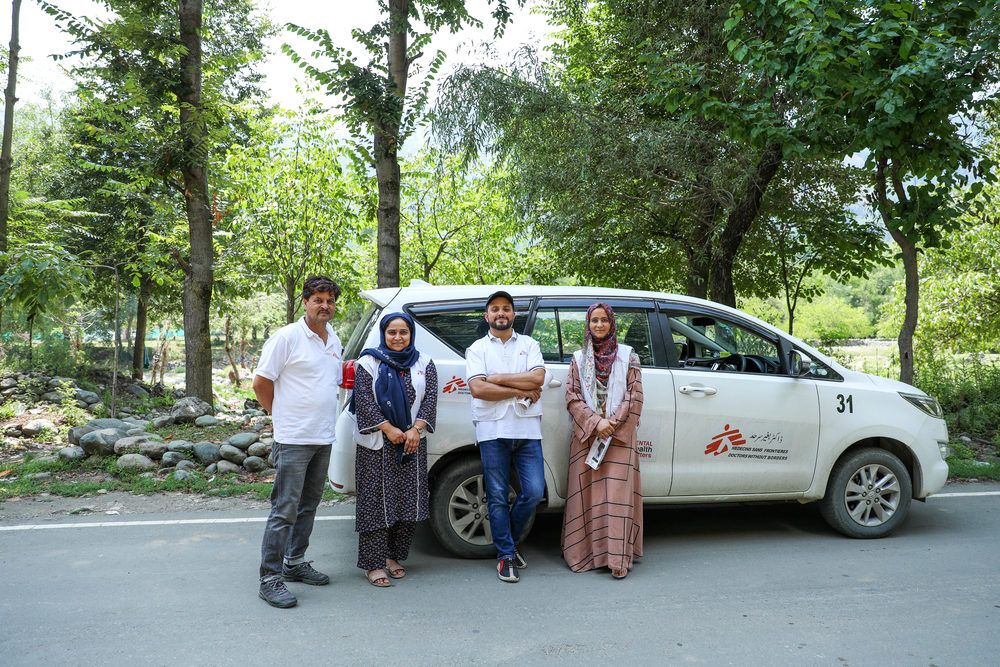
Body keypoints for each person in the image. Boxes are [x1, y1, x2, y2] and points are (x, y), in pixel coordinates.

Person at [254, 275, 344, 608]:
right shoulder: (286, 337)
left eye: (330, 301)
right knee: (284, 510)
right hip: (293, 438)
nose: (325, 306)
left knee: (308, 505)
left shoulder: (334, 339)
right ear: (304, 302)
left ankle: (294, 562)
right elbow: (261, 383)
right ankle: (269, 579)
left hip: (323, 436)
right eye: (318, 299)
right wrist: (281, 417)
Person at [350, 313, 438, 587]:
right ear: (383, 334)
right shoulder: (368, 362)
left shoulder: (424, 363)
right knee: (375, 504)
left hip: (411, 443)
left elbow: (430, 399)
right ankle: (373, 564)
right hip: (377, 444)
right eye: (392, 332)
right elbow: (364, 400)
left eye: (403, 332)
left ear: (411, 334)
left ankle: (392, 557)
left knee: (408, 502)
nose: (398, 337)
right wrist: (388, 428)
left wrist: (416, 429)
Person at [466, 290, 547, 583]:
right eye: (494, 309)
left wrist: (497, 378)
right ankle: (505, 556)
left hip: (527, 430)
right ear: (487, 315)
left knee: (534, 492)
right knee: (497, 496)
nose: (500, 313)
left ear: (513, 314)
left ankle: (508, 545)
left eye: (506, 308)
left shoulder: (529, 344)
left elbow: (538, 378)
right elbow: (478, 389)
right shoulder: (476, 349)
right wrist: (519, 389)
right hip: (492, 430)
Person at [561, 302, 644, 579]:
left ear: (612, 324)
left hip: (619, 437)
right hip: (588, 436)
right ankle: (584, 555)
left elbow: (635, 395)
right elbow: (572, 396)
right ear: (588, 324)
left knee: (617, 497)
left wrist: (612, 424)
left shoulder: (628, 356)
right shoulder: (578, 359)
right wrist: (596, 423)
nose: (599, 325)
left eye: (604, 320)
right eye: (594, 320)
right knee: (587, 496)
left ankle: (618, 558)